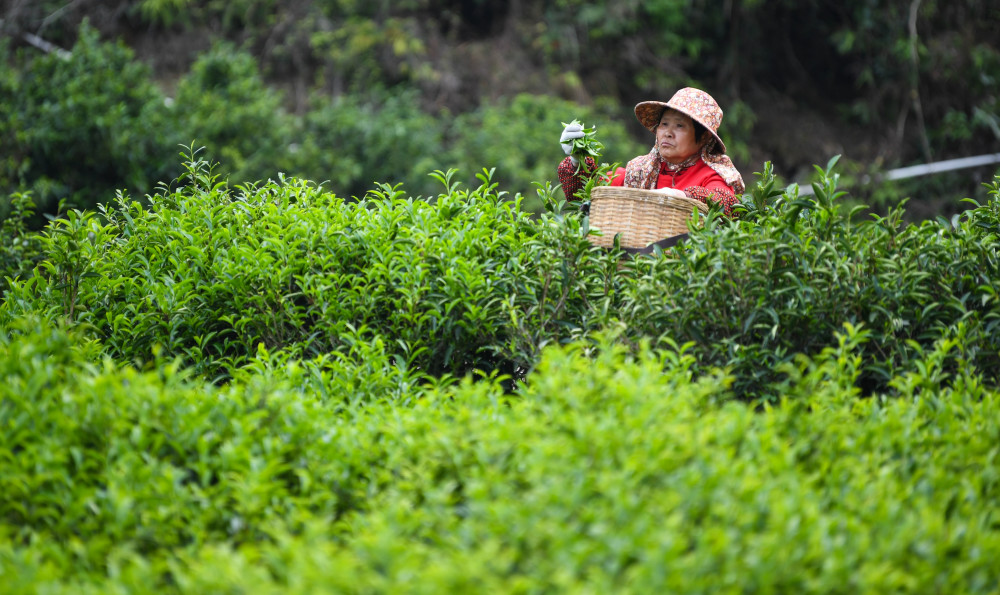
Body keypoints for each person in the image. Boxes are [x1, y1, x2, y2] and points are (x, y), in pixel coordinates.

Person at [558, 87, 744, 218]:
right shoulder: (640, 170)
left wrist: (684, 197)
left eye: (679, 125)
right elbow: (587, 191)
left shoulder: (711, 176)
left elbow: (726, 203)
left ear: (703, 137)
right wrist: (577, 159)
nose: (668, 133)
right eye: (664, 124)